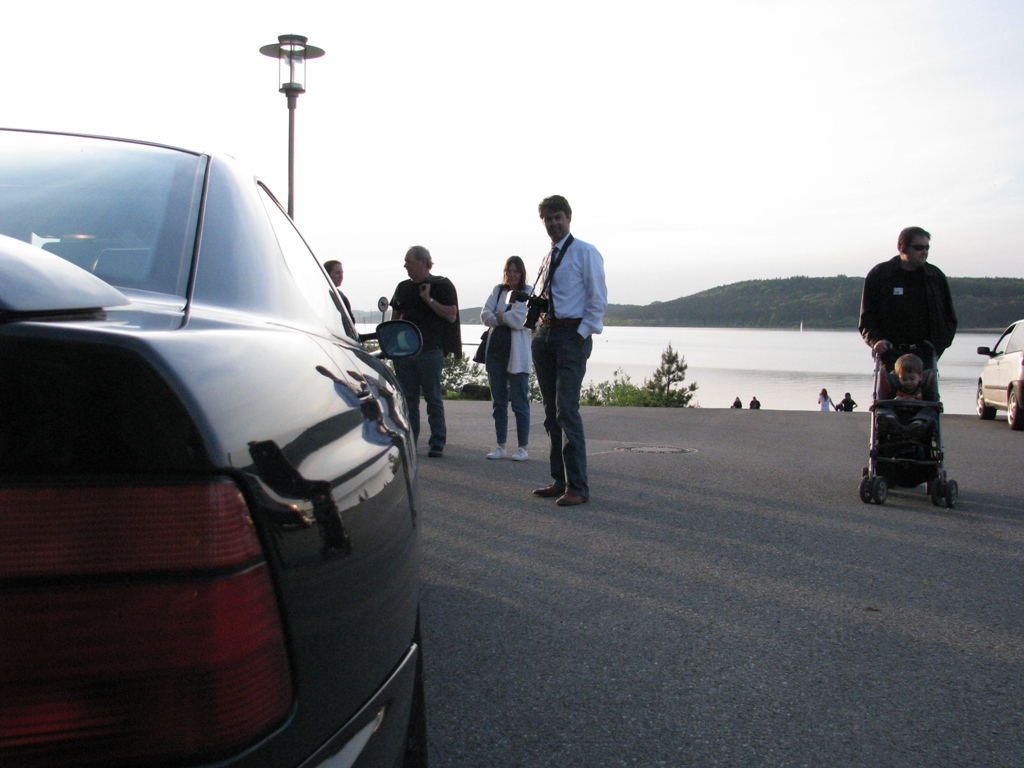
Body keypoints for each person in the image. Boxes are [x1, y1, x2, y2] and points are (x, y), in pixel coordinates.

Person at [531, 195, 607, 507]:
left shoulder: (585, 252)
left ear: (568, 218)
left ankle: (578, 486)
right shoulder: (548, 256)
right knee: (551, 412)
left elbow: (597, 300)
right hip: (545, 334)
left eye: (557, 217)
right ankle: (559, 480)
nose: (553, 223)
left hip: (570, 335)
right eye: (548, 219)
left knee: (566, 410)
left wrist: (580, 334)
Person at [390, 246, 461, 458]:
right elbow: (395, 318)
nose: (405, 265)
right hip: (404, 353)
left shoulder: (441, 285)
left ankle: (437, 442)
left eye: (408, 261)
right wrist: (391, 345)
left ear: (423, 262)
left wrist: (428, 299)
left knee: (433, 398)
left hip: (430, 351)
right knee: (408, 399)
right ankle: (410, 442)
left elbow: (451, 315)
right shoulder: (403, 287)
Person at [859, 226, 958, 371]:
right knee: (888, 386)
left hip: (926, 354)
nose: (924, 252)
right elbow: (867, 317)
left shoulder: (935, 277)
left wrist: (939, 345)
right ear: (902, 247)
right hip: (889, 353)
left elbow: (949, 317)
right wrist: (876, 341)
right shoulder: (880, 275)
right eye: (918, 247)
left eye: (927, 247)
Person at [480, 256, 532, 461]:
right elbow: (484, 315)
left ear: (522, 273)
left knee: (519, 402)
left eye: (515, 271)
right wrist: (503, 317)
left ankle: (522, 448)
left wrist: (499, 315)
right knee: (499, 403)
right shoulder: (498, 290)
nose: (512, 275)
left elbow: (519, 320)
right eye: (509, 271)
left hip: (516, 355)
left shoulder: (527, 292)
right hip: (495, 353)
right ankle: (500, 446)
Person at [873, 353, 938, 441]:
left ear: (920, 377)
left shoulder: (922, 389)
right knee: (882, 408)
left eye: (912, 379)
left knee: (930, 411)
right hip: (897, 415)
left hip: (917, 414)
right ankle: (890, 420)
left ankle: (917, 424)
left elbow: (930, 403)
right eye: (904, 379)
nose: (908, 382)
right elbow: (886, 401)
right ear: (898, 378)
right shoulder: (896, 388)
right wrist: (895, 400)